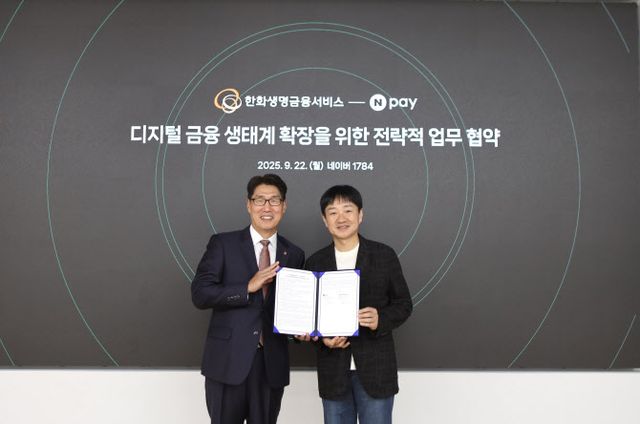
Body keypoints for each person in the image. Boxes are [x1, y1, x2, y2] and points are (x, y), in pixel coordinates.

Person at [191, 174, 305, 424]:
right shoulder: (223, 244)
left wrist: (301, 331)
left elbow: (292, 308)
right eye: (260, 200)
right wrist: (247, 287)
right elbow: (200, 294)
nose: (267, 207)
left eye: (274, 200)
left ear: (284, 206)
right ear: (248, 204)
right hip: (227, 362)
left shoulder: (294, 253)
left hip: (270, 365)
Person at [304, 185, 413, 424]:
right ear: (325, 220)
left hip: (376, 371)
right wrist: (322, 339)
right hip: (334, 372)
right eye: (333, 212)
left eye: (348, 210)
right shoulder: (315, 262)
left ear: (360, 215)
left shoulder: (384, 255)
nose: (341, 218)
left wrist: (380, 318)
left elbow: (404, 304)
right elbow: (309, 318)